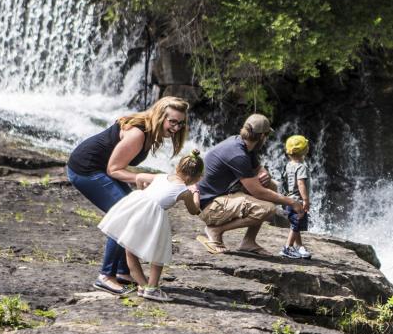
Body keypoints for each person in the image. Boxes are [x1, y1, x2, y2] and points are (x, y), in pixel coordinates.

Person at [66, 96, 189, 295]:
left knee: (135, 211)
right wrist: (146, 176)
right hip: (85, 170)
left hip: (99, 170)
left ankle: (123, 271)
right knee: (127, 217)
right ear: (159, 117)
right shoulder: (138, 134)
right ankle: (106, 276)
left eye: (180, 123)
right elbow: (114, 169)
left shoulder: (151, 132)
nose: (176, 127)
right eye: (172, 121)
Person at [97, 151, 204, 302]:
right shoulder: (184, 191)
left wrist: (142, 191)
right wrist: (195, 192)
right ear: (194, 178)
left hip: (136, 208)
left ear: (178, 167)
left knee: (130, 249)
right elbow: (194, 210)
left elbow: (139, 177)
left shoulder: (161, 176)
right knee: (158, 252)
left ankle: (143, 285)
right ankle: (152, 288)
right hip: (153, 216)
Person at [195, 113, 305, 256]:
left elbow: (258, 168)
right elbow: (257, 192)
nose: (266, 140)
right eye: (266, 136)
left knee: (271, 186)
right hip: (210, 206)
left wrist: (265, 173)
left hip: (224, 194)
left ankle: (248, 242)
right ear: (262, 136)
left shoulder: (243, 144)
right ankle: (216, 230)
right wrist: (292, 202)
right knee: (268, 209)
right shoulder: (238, 155)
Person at [281, 135, 313, 259]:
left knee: (296, 224)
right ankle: (287, 248)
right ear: (305, 150)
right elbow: (301, 183)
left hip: (288, 200)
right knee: (296, 225)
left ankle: (299, 246)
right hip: (297, 201)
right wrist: (305, 200)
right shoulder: (302, 167)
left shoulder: (289, 165)